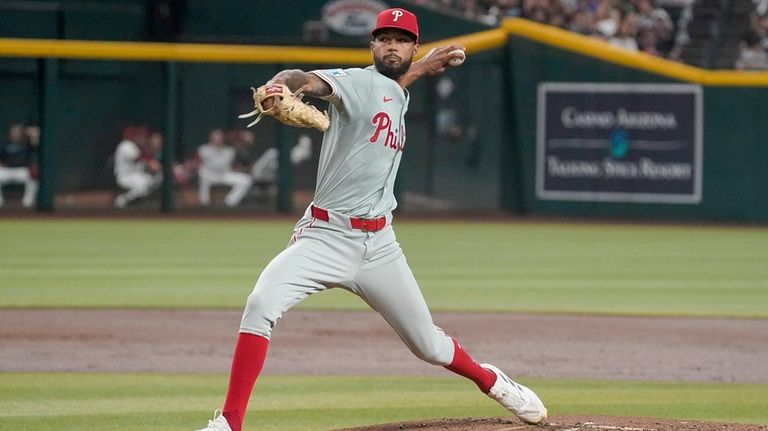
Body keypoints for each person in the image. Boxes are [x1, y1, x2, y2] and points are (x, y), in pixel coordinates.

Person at [194, 8, 547, 431]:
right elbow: (303, 79)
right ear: (372, 45)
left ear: (412, 46)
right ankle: (230, 422)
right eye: (384, 38)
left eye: (401, 39)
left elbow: (394, 85)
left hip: (380, 246)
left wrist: (424, 67)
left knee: (429, 346)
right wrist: (277, 85)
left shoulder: (397, 89)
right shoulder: (356, 82)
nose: (392, 45)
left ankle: (494, 382)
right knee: (261, 304)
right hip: (325, 236)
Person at [197, 129, 254, 207]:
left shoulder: (229, 150)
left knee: (246, 180)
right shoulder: (204, 149)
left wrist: (243, 140)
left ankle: (229, 203)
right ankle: (204, 204)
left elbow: (237, 158)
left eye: (220, 137)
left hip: (224, 174)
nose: (218, 139)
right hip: (209, 175)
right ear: (211, 138)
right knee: (202, 174)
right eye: (216, 137)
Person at [113, 126, 162, 208]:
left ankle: (143, 202)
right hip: (125, 176)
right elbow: (140, 158)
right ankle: (122, 200)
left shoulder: (134, 146)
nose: (141, 137)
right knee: (144, 185)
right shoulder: (126, 145)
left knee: (155, 180)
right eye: (138, 135)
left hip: (135, 174)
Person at [0, 123, 38, 208]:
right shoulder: (5, 144)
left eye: (17, 132)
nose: (15, 134)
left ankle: (27, 202)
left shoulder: (25, 144)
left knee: (33, 177)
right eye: (14, 132)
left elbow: (35, 144)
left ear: (21, 134)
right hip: (7, 170)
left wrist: (33, 134)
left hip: (22, 170)